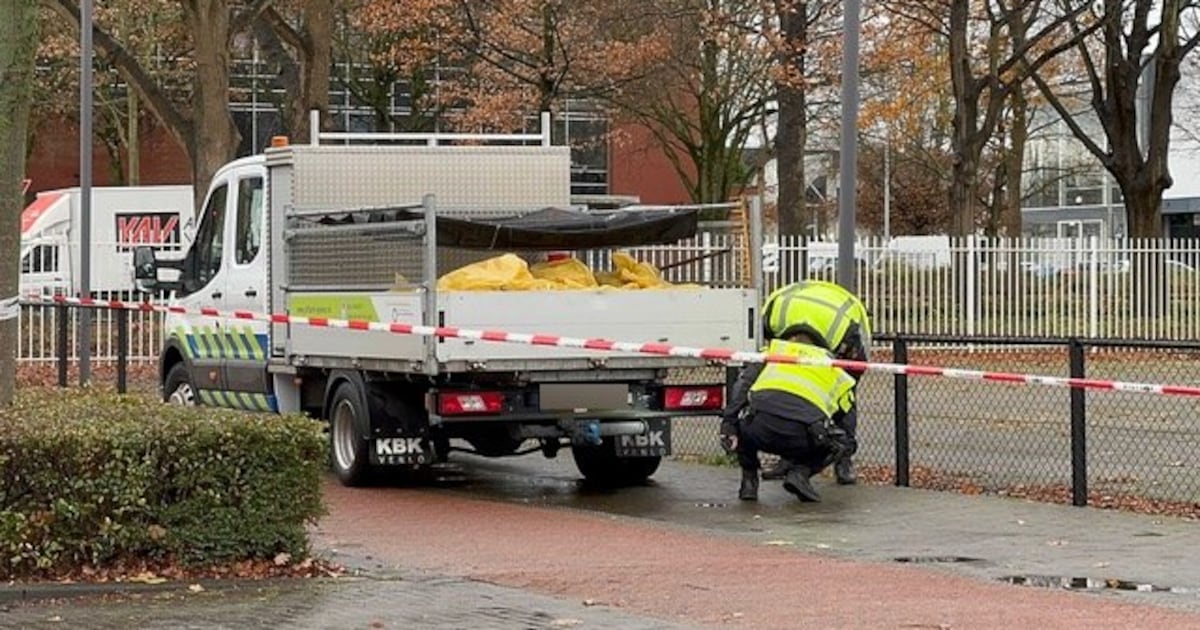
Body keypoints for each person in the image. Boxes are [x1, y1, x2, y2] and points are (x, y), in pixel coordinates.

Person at [719, 329, 857, 502]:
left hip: (758, 430)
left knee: (741, 421)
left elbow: (742, 387)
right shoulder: (833, 368)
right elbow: (846, 418)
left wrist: (728, 423)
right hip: (800, 437)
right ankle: (800, 473)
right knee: (840, 442)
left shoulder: (773, 353)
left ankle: (749, 482)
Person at [758, 280, 871, 485]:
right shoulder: (776, 317)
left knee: (844, 398)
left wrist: (837, 394)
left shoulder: (843, 332)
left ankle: (843, 459)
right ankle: (789, 457)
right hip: (817, 324)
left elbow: (855, 368)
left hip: (842, 339)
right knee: (790, 391)